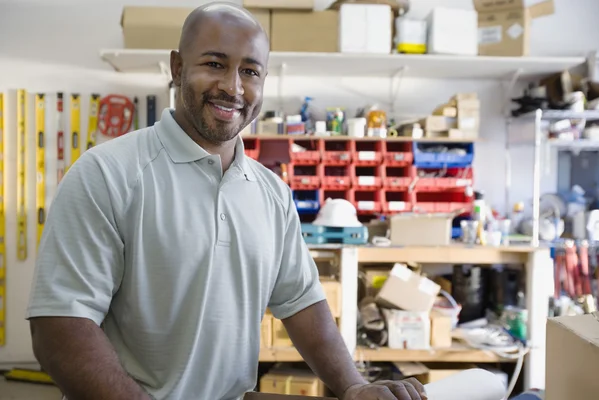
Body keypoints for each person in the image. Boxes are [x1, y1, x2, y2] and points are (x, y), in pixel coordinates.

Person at [26, 2, 426, 400]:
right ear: (177, 68)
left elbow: (303, 305)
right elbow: (60, 327)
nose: (233, 87)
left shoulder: (272, 194)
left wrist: (354, 386)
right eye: (215, 64)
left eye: (250, 71)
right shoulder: (107, 174)